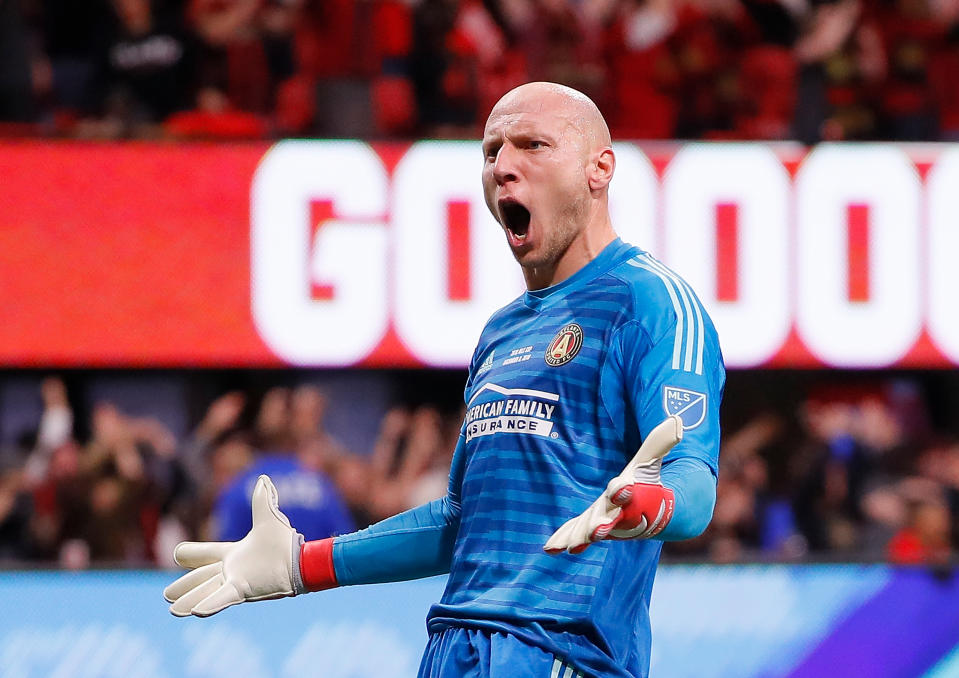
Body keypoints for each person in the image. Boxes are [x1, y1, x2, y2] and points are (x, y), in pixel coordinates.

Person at [164, 82, 724, 678]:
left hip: (557, 650)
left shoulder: (651, 303)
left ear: (599, 168)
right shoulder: (501, 332)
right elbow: (460, 520)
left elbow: (693, 490)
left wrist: (644, 503)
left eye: (533, 145)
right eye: (491, 153)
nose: (504, 167)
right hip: (453, 649)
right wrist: (304, 565)